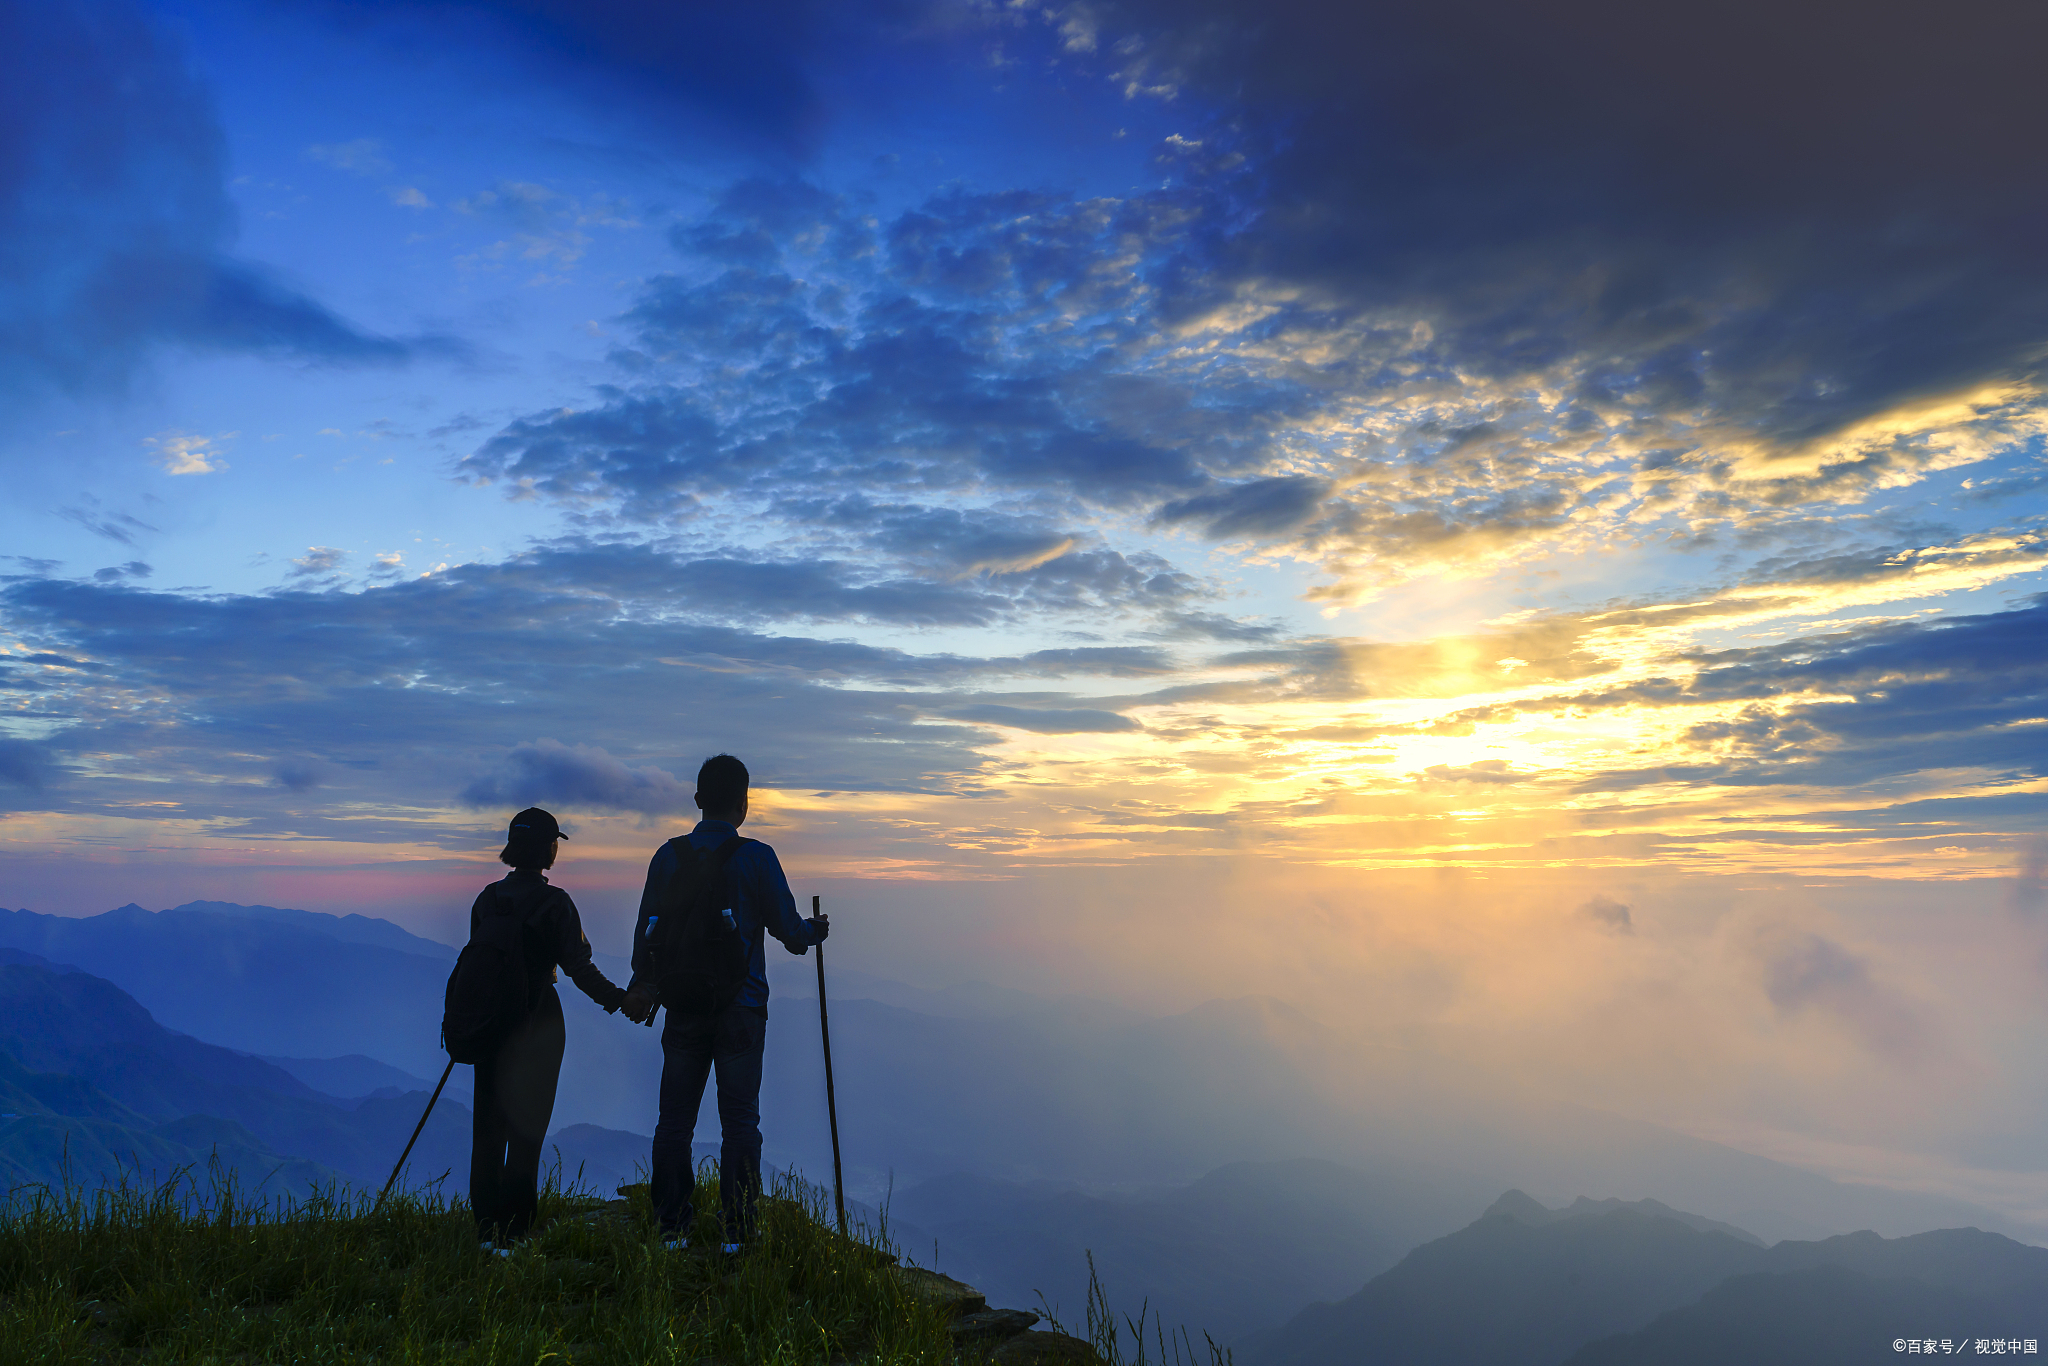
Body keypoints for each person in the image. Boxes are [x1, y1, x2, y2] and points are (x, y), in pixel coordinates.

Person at [621, 754, 828, 1252]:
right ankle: (738, 1230)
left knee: (674, 1121)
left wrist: (644, 985)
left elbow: (646, 931)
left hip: (683, 1007)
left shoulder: (667, 857)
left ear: (696, 799)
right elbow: (788, 930)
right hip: (742, 1008)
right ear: (744, 803)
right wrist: (813, 934)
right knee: (740, 1120)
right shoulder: (757, 857)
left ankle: (671, 1226)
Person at [469, 806, 629, 1254]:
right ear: (547, 849)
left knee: (487, 1128)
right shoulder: (555, 903)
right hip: (538, 1021)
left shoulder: (487, 899)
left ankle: (485, 1230)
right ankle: (515, 1233)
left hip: (489, 1025)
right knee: (527, 1128)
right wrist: (620, 1000)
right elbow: (579, 967)